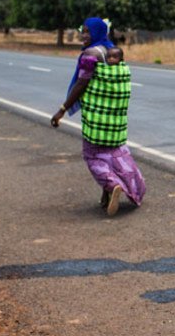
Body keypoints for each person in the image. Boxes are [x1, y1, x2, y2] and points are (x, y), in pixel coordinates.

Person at [50, 17, 146, 217]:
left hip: (97, 117)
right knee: (113, 154)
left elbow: (82, 83)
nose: (83, 35)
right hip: (115, 118)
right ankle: (107, 195)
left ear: (96, 32)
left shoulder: (91, 54)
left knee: (93, 155)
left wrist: (62, 109)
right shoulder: (112, 51)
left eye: (87, 32)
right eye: (82, 31)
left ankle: (112, 185)